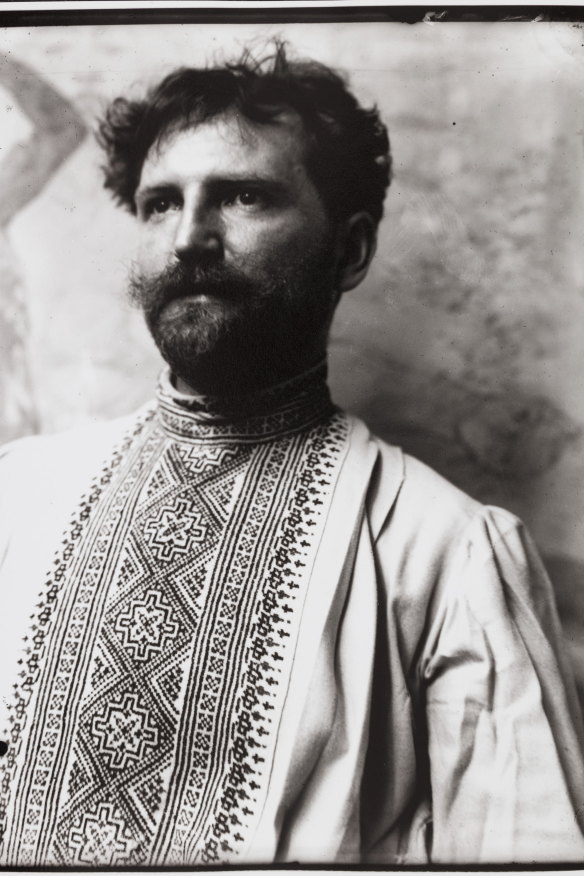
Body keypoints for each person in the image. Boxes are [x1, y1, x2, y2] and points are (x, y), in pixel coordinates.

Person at [0, 42, 583, 868]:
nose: (191, 238)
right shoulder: (18, 499)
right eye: (160, 203)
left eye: (243, 195)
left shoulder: (449, 557)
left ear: (349, 252)